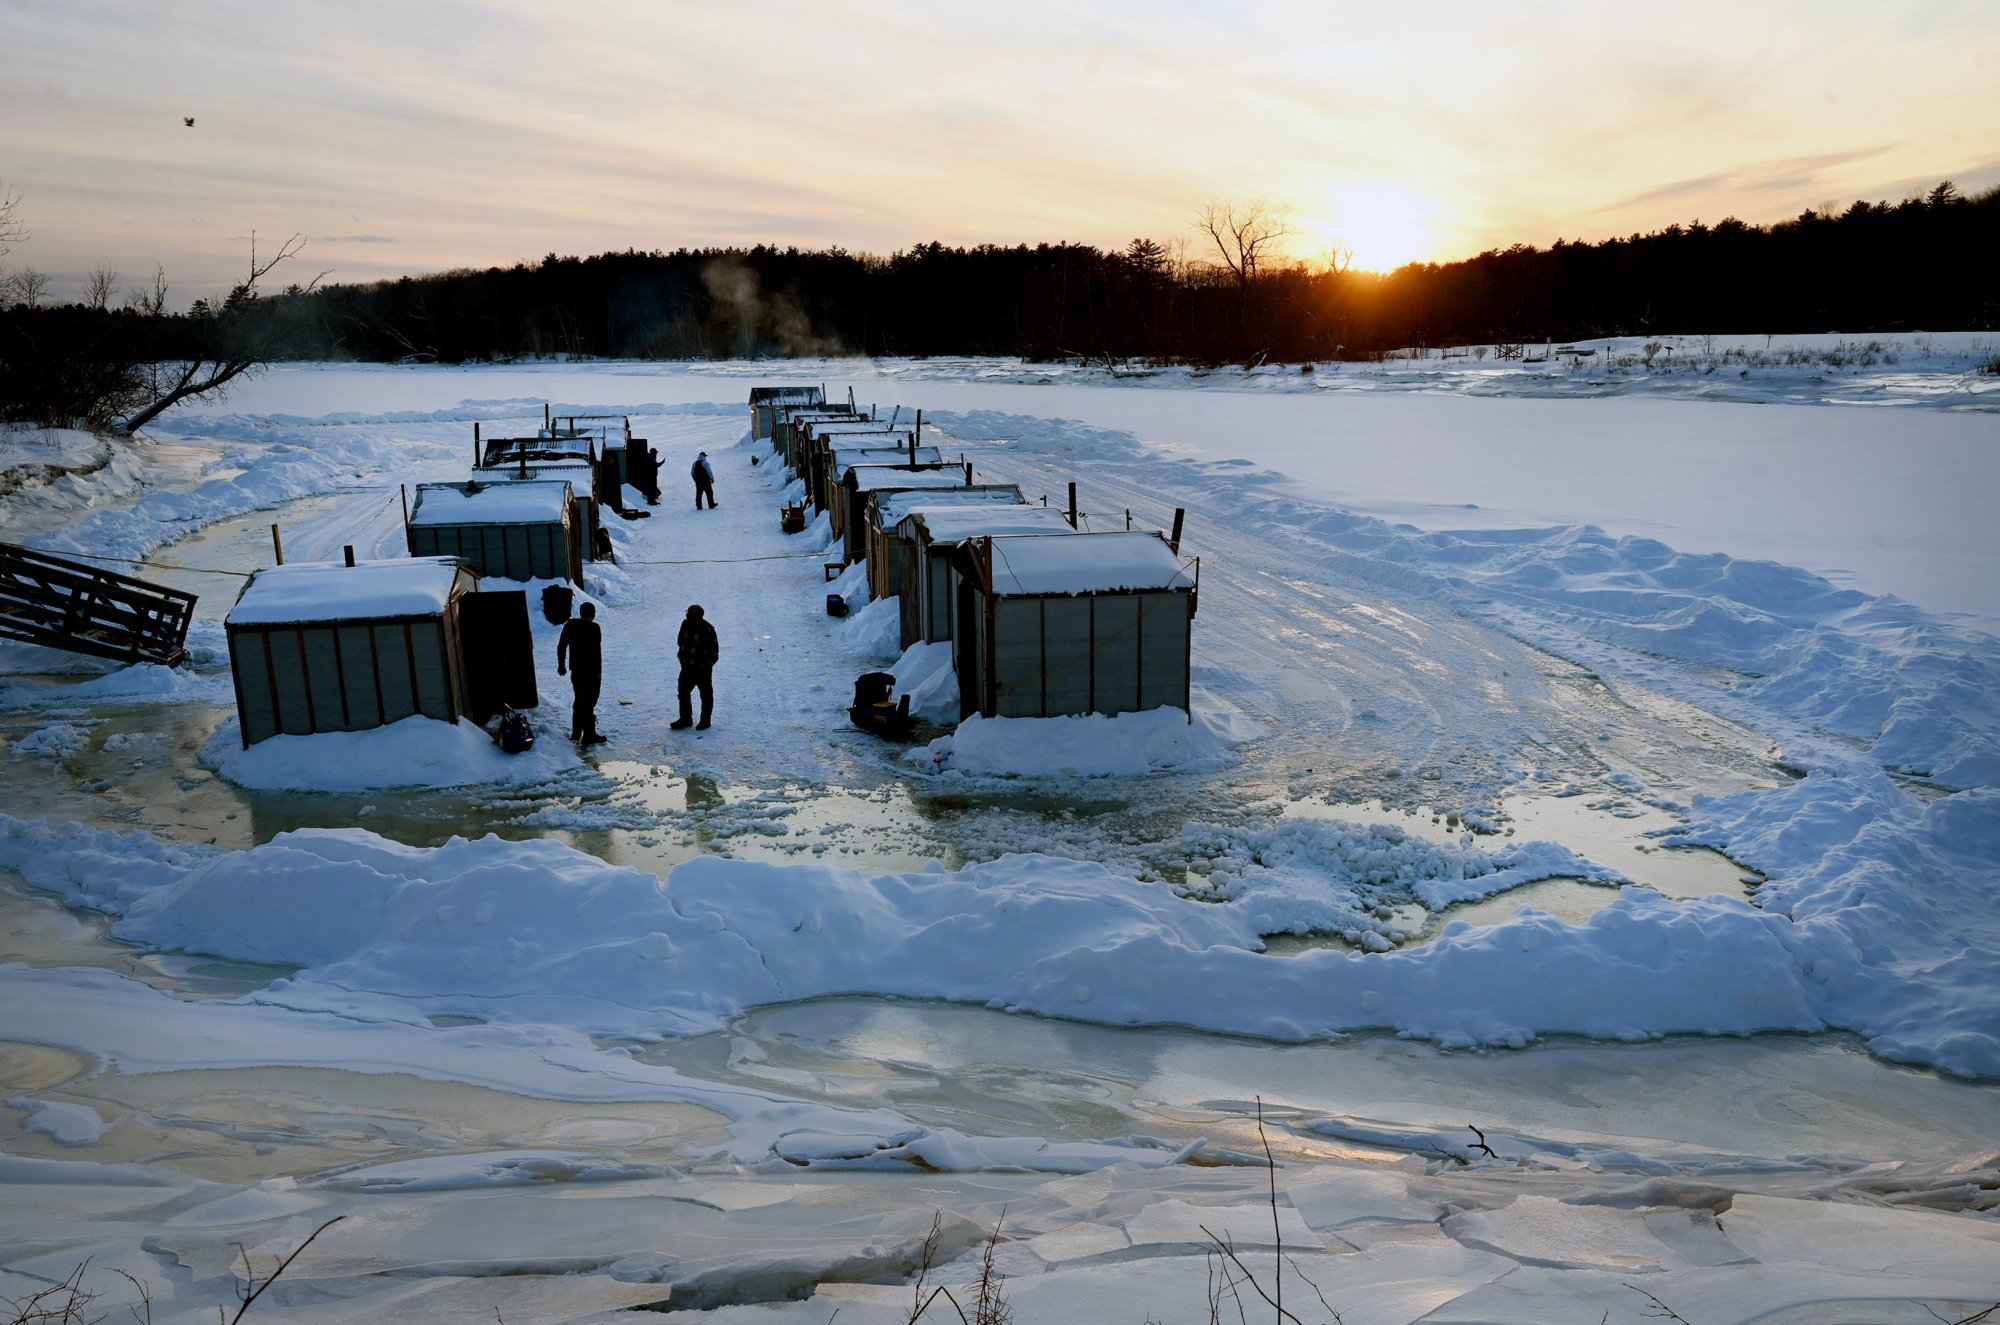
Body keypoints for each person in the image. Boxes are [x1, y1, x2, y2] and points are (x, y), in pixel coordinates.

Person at [556, 601, 607, 744]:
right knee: (589, 702)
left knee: (579, 699)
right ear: (593, 614)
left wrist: (561, 665)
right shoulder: (595, 628)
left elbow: (561, 646)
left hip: (577, 670)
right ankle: (589, 734)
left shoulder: (570, 625)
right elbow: (597, 653)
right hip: (591, 672)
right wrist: (598, 673)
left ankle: (576, 732)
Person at [670, 603, 719, 730]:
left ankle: (705, 721)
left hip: (702, 670)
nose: (687, 615)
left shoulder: (708, 629)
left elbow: (714, 654)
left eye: (690, 614)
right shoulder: (685, 624)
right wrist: (683, 658)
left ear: (699, 616)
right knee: (683, 692)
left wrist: (704, 666)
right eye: (687, 612)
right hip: (686, 668)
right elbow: (680, 641)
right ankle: (685, 719)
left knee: (706, 696)